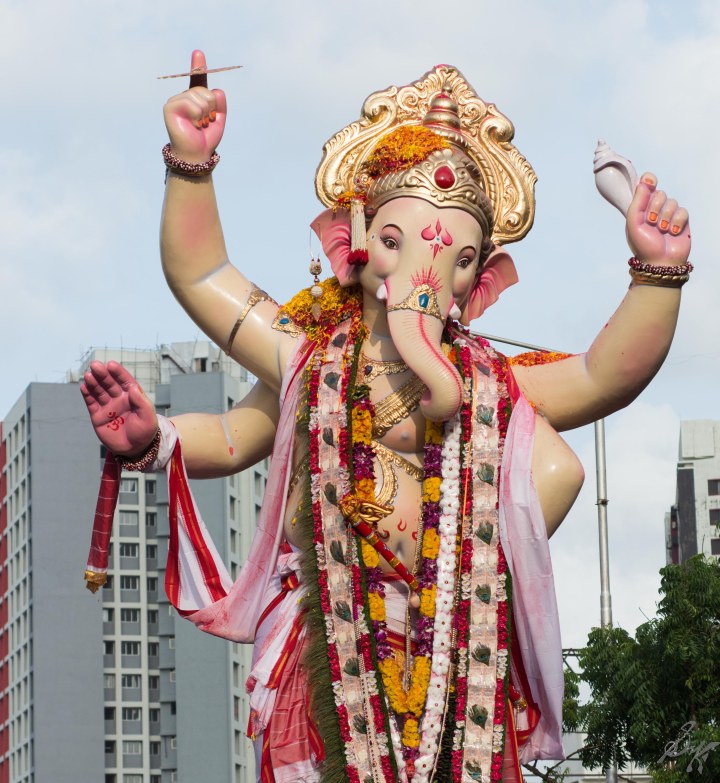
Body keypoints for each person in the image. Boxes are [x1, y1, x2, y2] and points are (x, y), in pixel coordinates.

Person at [82, 51, 691, 783]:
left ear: (481, 280)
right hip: (327, 660)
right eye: (399, 244)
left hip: (461, 659)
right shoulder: (308, 352)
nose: (426, 278)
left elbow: (602, 376)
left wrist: (658, 273)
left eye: (458, 261)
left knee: (555, 458)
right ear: (354, 241)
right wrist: (190, 162)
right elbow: (210, 294)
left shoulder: (488, 383)